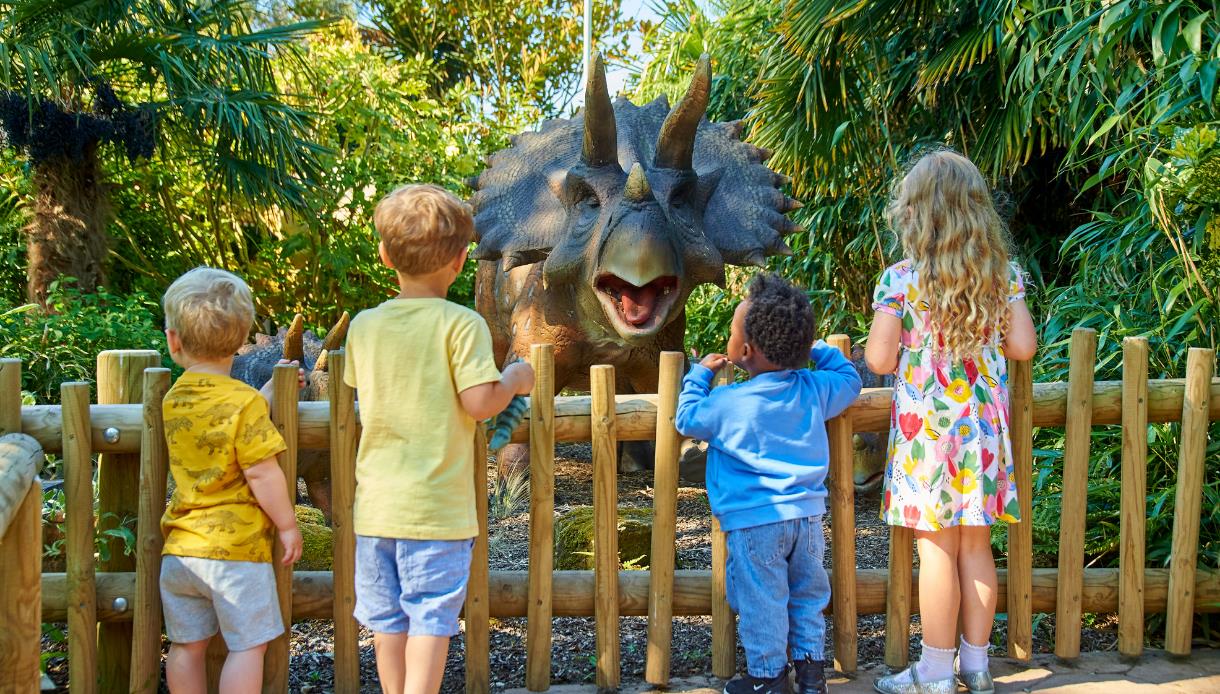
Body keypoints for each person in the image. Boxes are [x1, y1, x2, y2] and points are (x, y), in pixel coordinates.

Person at [344, 184, 535, 694]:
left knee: (387, 619)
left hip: (377, 508)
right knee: (430, 617)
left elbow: (360, 389)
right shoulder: (461, 324)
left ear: (385, 255)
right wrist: (515, 380)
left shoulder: (364, 327)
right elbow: (479, 404)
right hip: (437, 511)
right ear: (460, 259)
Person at [866, 150, 1037, 694]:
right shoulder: (1002, 277)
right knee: (976, 548)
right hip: (983, 435)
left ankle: (937, 673)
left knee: (935, 550)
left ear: (917, 213)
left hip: (927, 440)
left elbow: (878, 359)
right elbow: (1023, 345)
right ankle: (978, 667)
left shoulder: (901, 280)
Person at [676, 273, 863, 694]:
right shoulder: (813, 389)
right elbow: (850, 379)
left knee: (762, 602)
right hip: (808, 519)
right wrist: (810, 346)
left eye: (731, 330)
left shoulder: (728, 403)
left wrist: (697, 377)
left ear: (744, 350)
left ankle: (767, 678)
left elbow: (687, 418)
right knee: (807, 597)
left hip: (754, 523)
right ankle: (812, 678)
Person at [159, 267, 304, 694]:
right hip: (236, 555)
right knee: (248, 648)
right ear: (242, 340)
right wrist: (287, 525)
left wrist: (268, 393)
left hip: (181, 553)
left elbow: (218, 425)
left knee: (187, 647)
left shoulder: (172, 399)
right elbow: (260, 469)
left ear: (174, 341)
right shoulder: (242, 403)